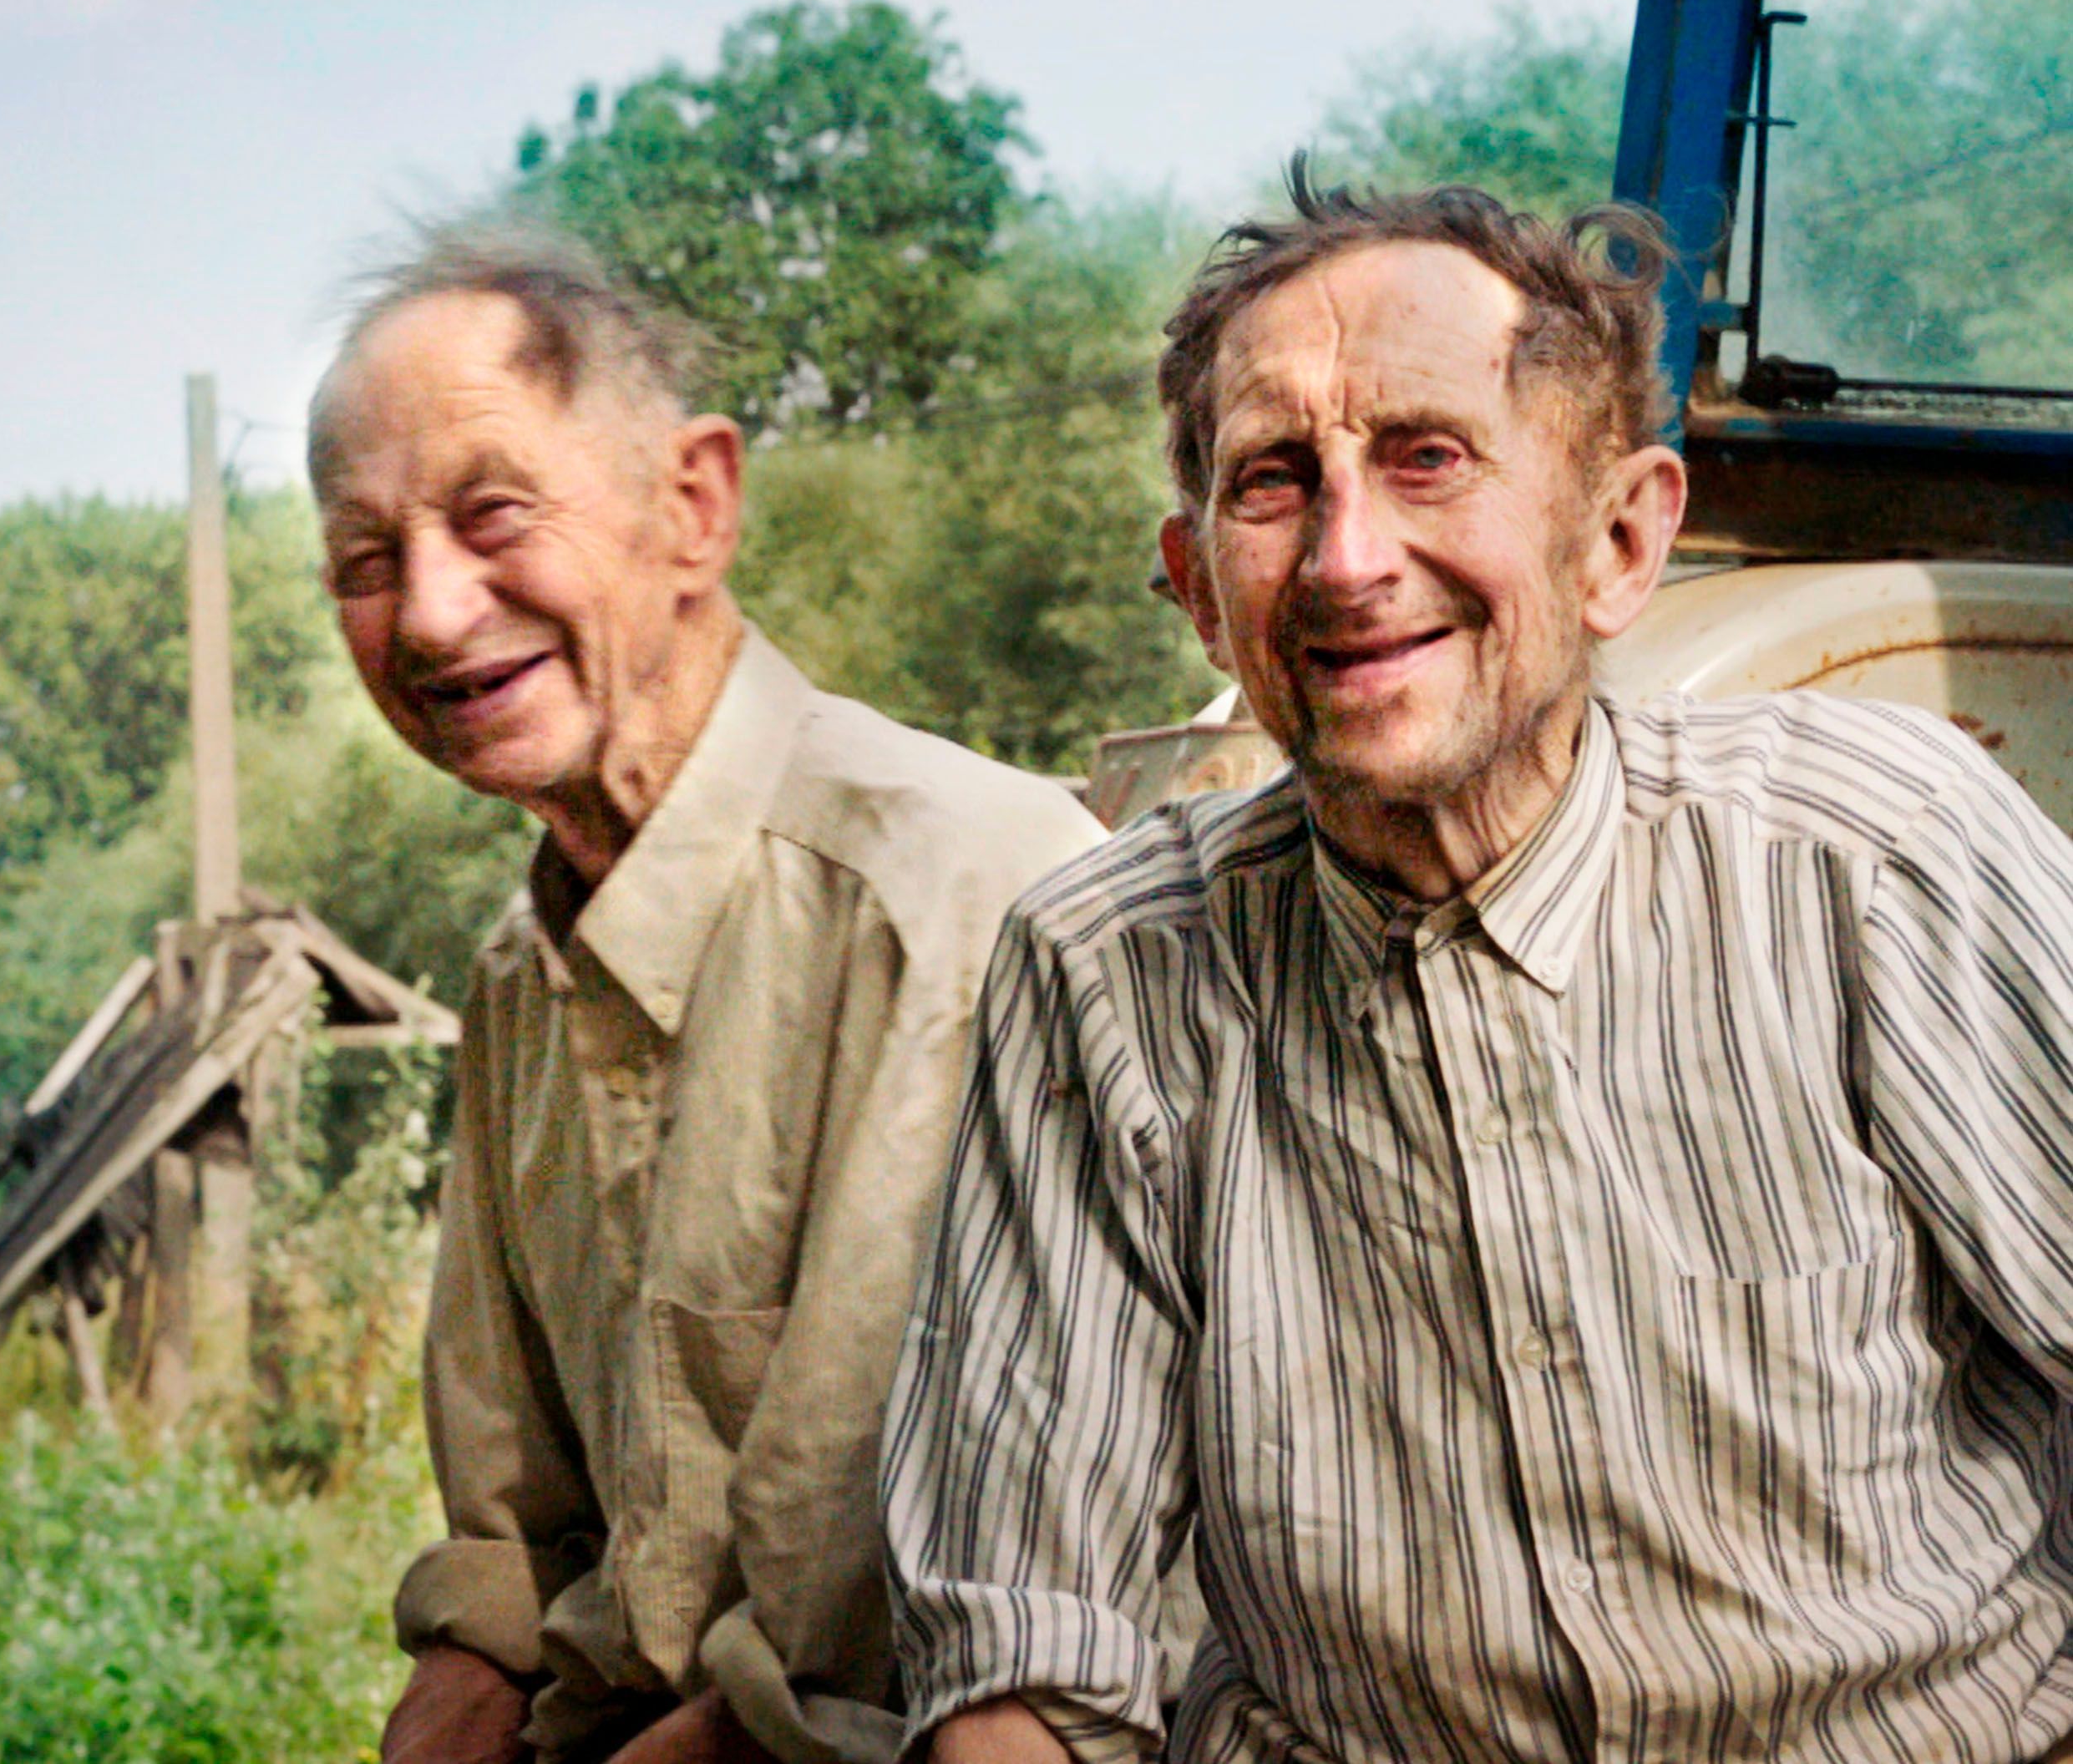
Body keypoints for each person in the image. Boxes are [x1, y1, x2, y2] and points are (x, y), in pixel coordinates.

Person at [881, 166, 2073, 1764]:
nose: (1345, 557)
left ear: (1618, 540)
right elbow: (1021, 1643)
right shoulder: (1106, 975)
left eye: (1427, 458)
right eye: (1274, 481)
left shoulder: (1867, 855)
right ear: (1196, 594)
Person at [309, 215, 1106, 1764]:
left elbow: (880, 1630)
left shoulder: (963, 893)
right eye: (363, 561)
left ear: (693, 506)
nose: (424, 614)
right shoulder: (517, 974)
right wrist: (453, 1693)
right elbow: (511, 1549)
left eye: (491, 517)